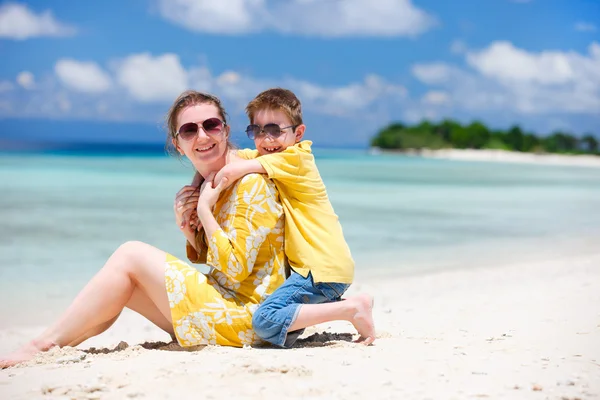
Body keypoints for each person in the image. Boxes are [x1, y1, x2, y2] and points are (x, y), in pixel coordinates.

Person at [0, 90, 287, 369]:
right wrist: (188, 229)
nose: (202, 136)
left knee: (130, 254)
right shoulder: (210, 183)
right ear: (178, 144)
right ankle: (54, 346)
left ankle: (41, 346)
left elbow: (235, 269)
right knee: (123, 287)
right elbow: (220, 263)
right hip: (228, 308)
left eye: (210, 125)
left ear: (225, 130)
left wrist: (203, 212)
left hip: (252, 321)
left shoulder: (250, 183)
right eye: (189, 130)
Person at [195, 88, 376, 348]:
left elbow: (235, 168)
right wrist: (194, 184)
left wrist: (205, 197)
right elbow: (225, 160)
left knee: (265, 320)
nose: (266, 139)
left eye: (275, 130)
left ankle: (351, 308)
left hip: (319, 268)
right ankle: (348, 308)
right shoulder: (272, 156)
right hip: (320, 269)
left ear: (298, 133)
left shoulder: (297, 158)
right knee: (283, 326)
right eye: (257, 131)